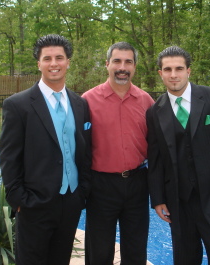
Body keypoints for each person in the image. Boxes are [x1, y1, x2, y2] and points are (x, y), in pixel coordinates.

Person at [146, 46, 210, 265]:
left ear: (189, 71)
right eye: (168, 69)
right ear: (160, 73)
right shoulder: (154, 112)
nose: (174, 74)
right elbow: (155, 160)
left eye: (179, 68)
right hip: (179, 205)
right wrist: (158, 199)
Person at [0, 34, 92, 265]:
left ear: (68, 61)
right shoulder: (18, 105)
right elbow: (9, 156)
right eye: (47, 58)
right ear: (38, 63)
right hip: (34, 204)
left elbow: (84, 150)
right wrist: (19, 199)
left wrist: (83, 191)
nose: (54, 63)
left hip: (70, 201)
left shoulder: (79, 104)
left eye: (59, 57)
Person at [82, 42, 155, 265]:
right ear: (107, 64)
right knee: (99, 250)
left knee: (135, 249)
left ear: (134, 67)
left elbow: (158, 146)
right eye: (117, 61)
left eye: (128, 62)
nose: (122, 67)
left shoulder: (146, 102)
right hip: (100, 186)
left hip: (137, 183)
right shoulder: (86, 101)